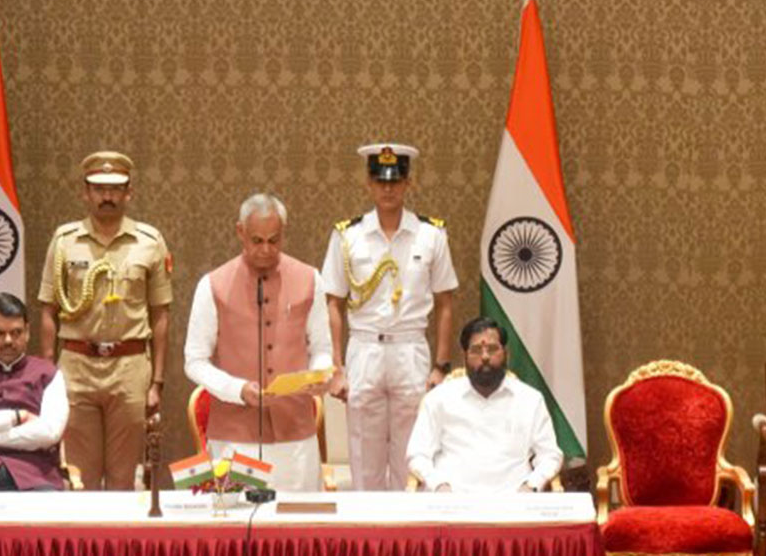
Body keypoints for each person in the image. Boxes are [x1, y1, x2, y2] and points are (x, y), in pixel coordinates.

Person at [322, 143, 458, 490]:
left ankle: (407, 540)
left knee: (412, 454)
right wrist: (336, 367)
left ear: (408, 183)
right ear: (368, 183)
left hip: (410, 350)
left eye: (395, 180)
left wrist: (441, 366)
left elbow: (446, 301)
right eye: (379, 180)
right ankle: (367, 538)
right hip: (364, 348)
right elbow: (333, 303)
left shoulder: (431, 234)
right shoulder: (347, 236)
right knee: (363, 455)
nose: (387, 188)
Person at [36, 150, 173, 489]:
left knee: (125, 477)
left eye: (115, 189)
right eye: (99, 189)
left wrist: (156, 382)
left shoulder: (149, 242)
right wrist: (48, 374)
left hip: (129, 370)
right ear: (85, 192)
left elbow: (160, 314)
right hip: (77, 367)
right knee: (79, 475)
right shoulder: (65, 240)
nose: (107, 196)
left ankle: (122, 544)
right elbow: (48, 309)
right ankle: (84, 544)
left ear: (129, 193)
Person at [185, 194, 339, 491]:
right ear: (240, 232)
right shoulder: (212, 284)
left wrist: (320, 374)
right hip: (234, 438)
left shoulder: (310, 279)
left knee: (297, 532)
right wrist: (237, 389)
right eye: (257, 241)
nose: (266, 250)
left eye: (274, 240)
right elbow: (194, 360)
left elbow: (321, 348)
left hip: (295, 437)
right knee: (238, 533)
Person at [406, 316, 562, 493]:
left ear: (506, 353)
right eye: (476, 350)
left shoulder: (530, 400)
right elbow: (417, 454)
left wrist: (531, 485)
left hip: (514, 502)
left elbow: (550, 455)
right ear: (464, 355)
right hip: (452, 502)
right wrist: (438, 485)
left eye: (493, 349)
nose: (485, 356)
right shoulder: (439, 399)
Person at [0, 293, 67, 491]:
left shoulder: (48, 374)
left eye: (16, 333)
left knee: (52, 513)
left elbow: (49, 432)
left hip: (35, 475)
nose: (8, 340)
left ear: (27, 332)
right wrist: (17, 417)